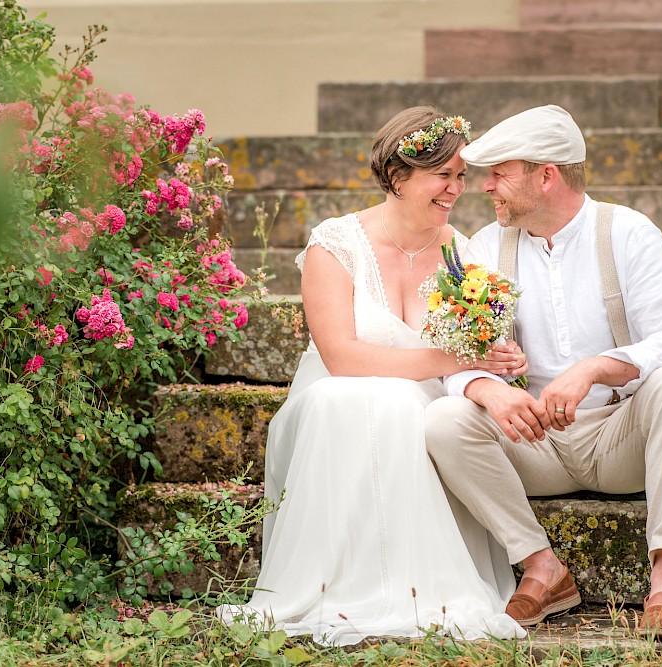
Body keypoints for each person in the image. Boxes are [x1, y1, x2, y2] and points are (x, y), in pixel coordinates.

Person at [219, 107, 527, 645]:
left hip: (427, 411)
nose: (456, 189)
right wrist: (460, 360)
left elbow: (483, 347)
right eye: (444, 175)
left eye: (461, 176)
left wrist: (497, 358)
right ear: (398, 175)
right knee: (359, 400)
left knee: (409, 407)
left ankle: (422, 582)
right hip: (336, 407)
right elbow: (341, 356)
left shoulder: (463, 252)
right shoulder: (335, 245)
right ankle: (333, 583)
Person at [424, 104, 662, 637]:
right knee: (444, 419)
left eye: (500, 174)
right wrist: (490, 390)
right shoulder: (485, 246)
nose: (486, 188)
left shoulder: (628, 232)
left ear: (546, 175)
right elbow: (458, 358)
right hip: (536, 442)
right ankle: (541, 566)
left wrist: (596, 369)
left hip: (622, 437)